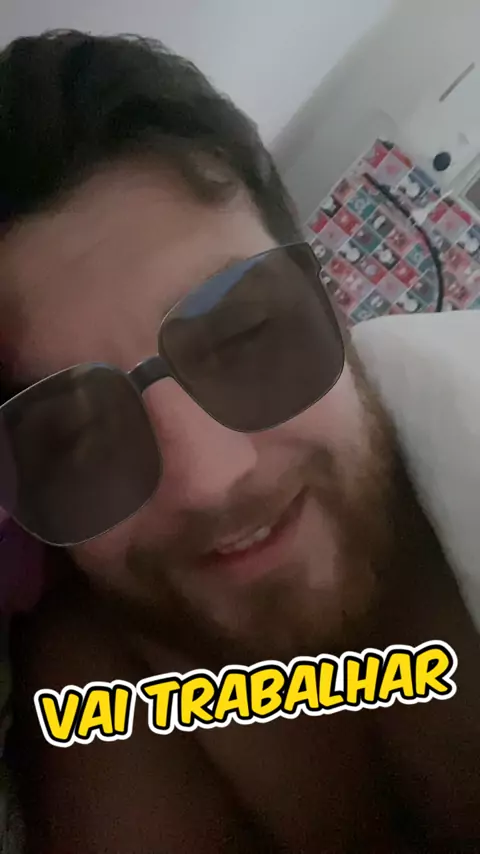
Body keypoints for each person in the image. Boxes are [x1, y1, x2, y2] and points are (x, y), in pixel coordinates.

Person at [0, 30, 479, 854]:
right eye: (78, 434)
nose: (208, 479)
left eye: (241, 334)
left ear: (328, 297)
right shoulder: (96, 693)